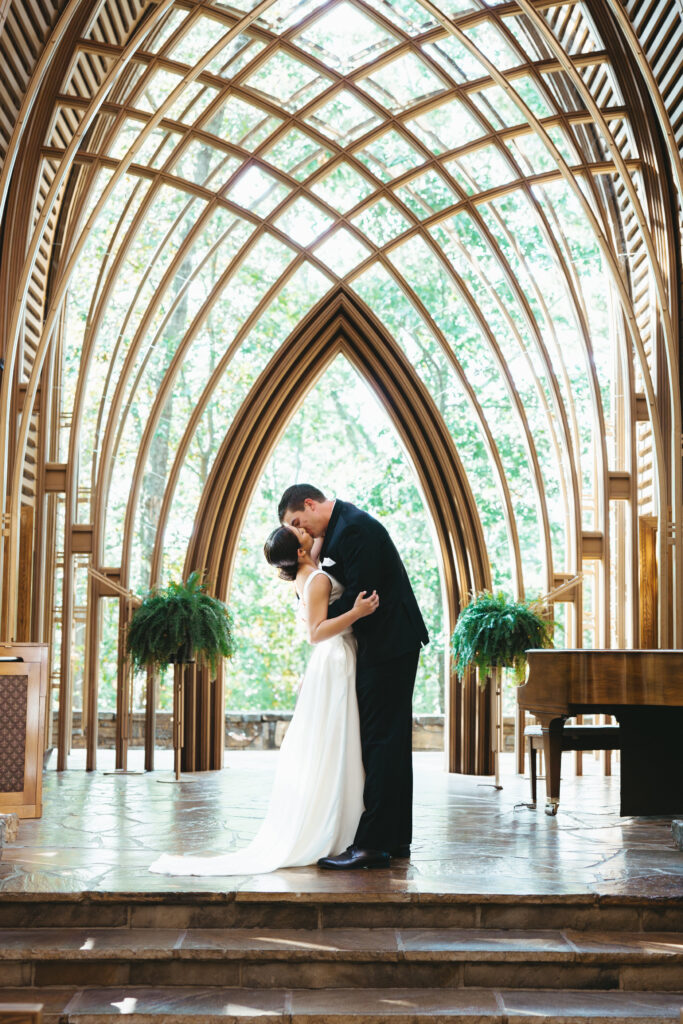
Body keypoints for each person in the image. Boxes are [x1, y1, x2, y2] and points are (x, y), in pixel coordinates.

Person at [149, 524, 378, 876]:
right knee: (338, 737)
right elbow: (315, 633)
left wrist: (312, 527)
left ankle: (343, 820)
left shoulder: (307, 568)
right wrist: (357, 613)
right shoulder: (316, 580)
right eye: (297, 532)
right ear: (300, 553)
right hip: (333, 656)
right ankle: (335, 825)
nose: (304, 530)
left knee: (336, 738)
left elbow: (317, 540)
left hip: (334, 658)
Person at [279, 484, 429, 870]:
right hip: (382, 645)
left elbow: (365, 592)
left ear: (310, 504)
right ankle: (394, 839)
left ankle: (373, 845)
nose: (303, 531)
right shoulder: (335, 531)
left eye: (299, 521)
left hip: (388, 644)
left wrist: (324, 612)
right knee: (388, 742)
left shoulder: (354, 528)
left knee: (381, 741)